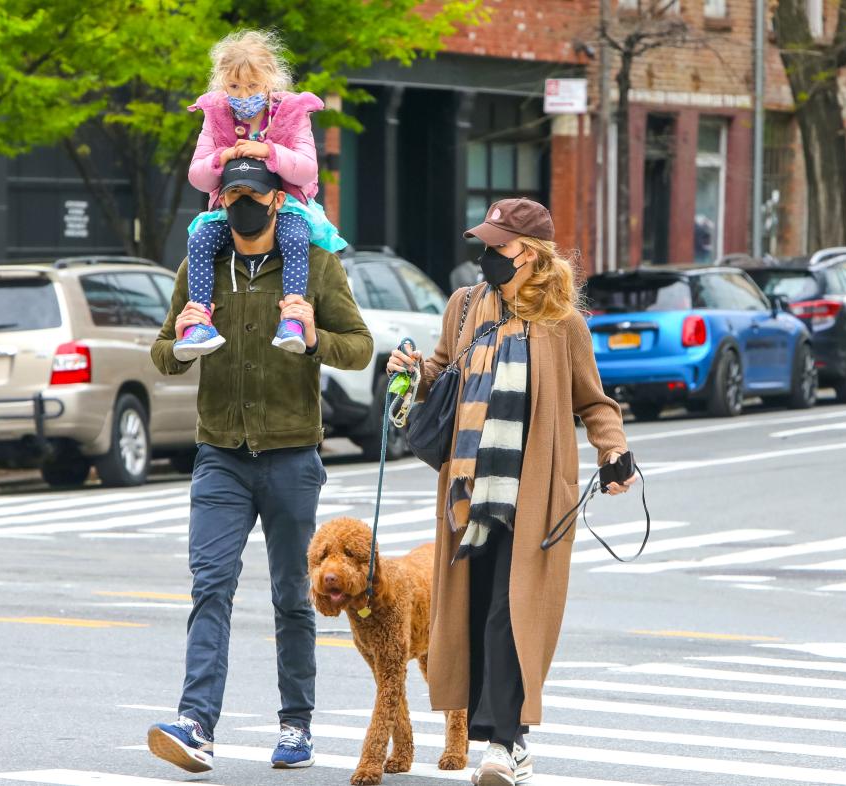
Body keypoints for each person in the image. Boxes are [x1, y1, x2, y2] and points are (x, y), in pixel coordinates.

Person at [386, 198, 637, 786]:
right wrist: (413, 369)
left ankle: (507, 742)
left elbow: (593, 401)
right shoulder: (465, 305)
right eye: (485, 244)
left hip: (535, 494)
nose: (486, 255)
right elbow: (444, 373)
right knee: (474, 612)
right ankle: (501, 738)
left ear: (531, 254)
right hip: (468, 490)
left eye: (498, 246)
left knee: (511, 611)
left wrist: (613, 449)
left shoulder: (562, 323)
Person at [147, 156, 373, 775]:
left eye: (255, 191)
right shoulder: (200, 267)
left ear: (278, 201)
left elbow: (360, 347)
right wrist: (183, 337)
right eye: (233, 191)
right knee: (209, 585)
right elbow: (163, 353)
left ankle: (296, 725)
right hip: (220, 456)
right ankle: (196, 722)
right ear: (220, 200)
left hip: (292, 457)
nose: (243, 200)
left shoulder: (315, 266)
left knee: (292, 596)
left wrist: (314, 342)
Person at [176, 28, 347, 361]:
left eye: (252, 86)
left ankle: (293, 318)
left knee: (295, 239)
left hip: (284, 206)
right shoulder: (215, 117)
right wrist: (220, 158)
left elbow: (307, 170)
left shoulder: (292, 114)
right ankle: (200, 320)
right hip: (232, 205)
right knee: (199, 241)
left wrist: (268, 151)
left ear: (270, 79)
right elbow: (197, 177)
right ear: (222, 84)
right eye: (234, 87)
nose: (243, 95)